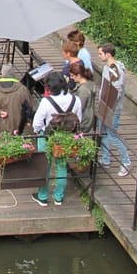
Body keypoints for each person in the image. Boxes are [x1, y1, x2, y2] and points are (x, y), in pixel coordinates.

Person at [31, 72, 82, 206]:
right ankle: (58, 197)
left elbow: (37, 122)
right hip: (65, 137)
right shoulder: (75, 100)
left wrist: (38, 131)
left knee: (45, 166)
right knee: (61, 165)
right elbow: (78, 119)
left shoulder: (46, 101)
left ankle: (42, 196)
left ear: (49, 87)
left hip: (47, 136)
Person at [0, 63, 32, 174]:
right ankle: (11, 165)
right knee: (14, 143)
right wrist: (28, 120)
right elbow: (28, 108)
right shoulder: (22, 89)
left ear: (2, 74)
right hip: (17, 123)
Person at [98, 43, 131, 177]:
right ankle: (105, 159)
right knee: (104, 133)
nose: (99, 56)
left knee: (112, 135)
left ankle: (126, 161)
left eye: (100, 54)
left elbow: (115, 90)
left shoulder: (115, 70)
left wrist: (107, 106)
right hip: (105, 107)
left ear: (108, 54)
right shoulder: (108, 67)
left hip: (111, 109)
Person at [69, 60, 97, 134]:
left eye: (72, 75)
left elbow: (79, 107)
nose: (71, 78)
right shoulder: (89, 84)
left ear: (78, 75)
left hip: (84, 121)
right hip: (88, 119)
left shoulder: (83, 90)